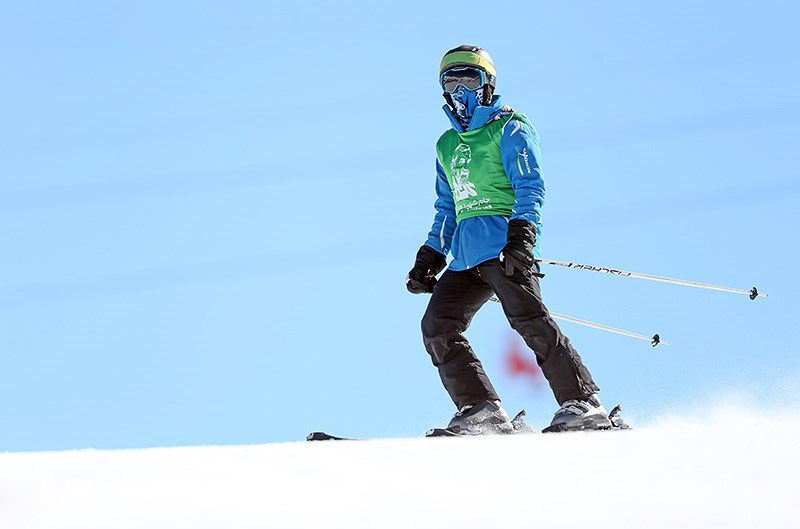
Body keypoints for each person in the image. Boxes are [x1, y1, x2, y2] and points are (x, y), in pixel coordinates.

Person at [406, 45, 611, 434]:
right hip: (466, 256)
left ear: (487, 85)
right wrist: (431, 255)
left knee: (528, 319)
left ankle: (583, 402)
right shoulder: (446, 145)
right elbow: (448, 205)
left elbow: (529, 185)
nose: (460, 89)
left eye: (470, 79)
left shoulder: (510, 127)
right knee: (437, 325)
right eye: (452, 81)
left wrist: (522, 237)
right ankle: (480, 409)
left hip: (503, 247)